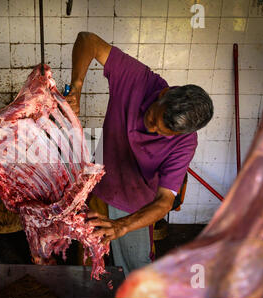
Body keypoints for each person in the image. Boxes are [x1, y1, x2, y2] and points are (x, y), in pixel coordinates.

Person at [65, 32, 214, 276]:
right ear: (164, 95)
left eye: (161, 132)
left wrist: (122, 226)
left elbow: (165, 200)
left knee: (135, 268)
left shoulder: (185, 142)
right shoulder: (139, 79)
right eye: (153, 118)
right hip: (99, 185)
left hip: (134, 204)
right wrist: (77, 87)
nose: (151, 128)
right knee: (87, 258)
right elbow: (87, 40)